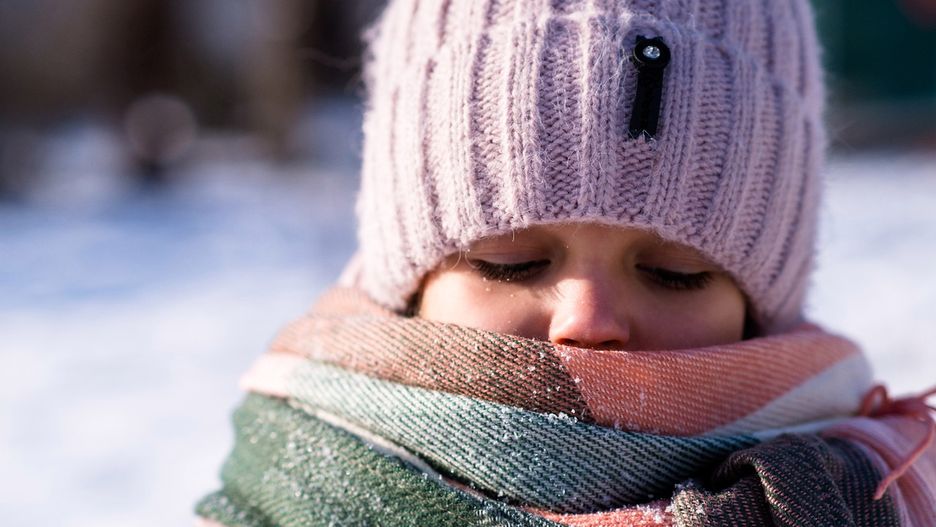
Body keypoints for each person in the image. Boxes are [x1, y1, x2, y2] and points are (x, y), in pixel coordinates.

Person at [196, 0, 936, 525]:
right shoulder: (281, 500)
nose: (587, 322)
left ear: (758, 304)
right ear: (411, 282)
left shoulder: (875, 497)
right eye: (509, 260)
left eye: (675, 271)